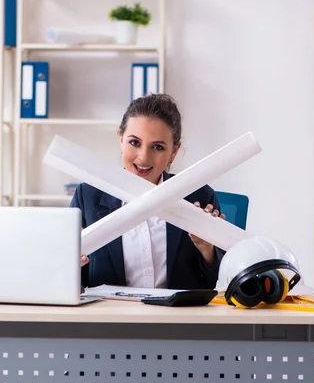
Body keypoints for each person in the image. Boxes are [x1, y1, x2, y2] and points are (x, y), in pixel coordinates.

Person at [69, 93, 226, 290]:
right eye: (134, 143)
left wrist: (207, 250)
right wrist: (71, 261)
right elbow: (70, 279)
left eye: (158, 147)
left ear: (174, 152)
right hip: (110, 316)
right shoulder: (88, 196)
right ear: (121, 139)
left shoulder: (199, 196)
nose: (143, 158)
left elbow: (221, 282)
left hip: (178, 317)